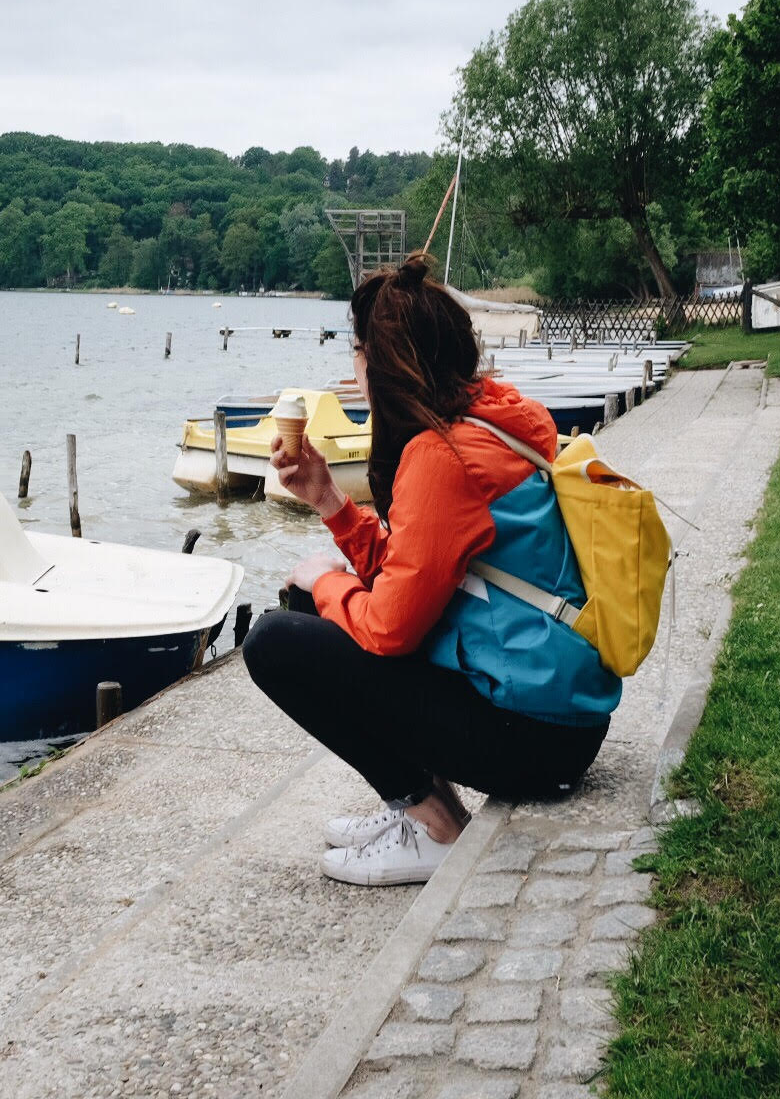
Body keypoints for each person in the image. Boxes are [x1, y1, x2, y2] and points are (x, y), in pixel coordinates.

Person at [241, 253, 618, 887]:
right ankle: (420, 812)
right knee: (321, 602)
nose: (352, 369)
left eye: (356, 352)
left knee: (278, 639)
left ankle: (437, 828)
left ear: (379, 364)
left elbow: (390, 630)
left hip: (535, 739)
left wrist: (324, 580)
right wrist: (328, 500)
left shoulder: (440, 456)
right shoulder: (495, 417)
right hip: (560, 713)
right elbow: (413, 572)